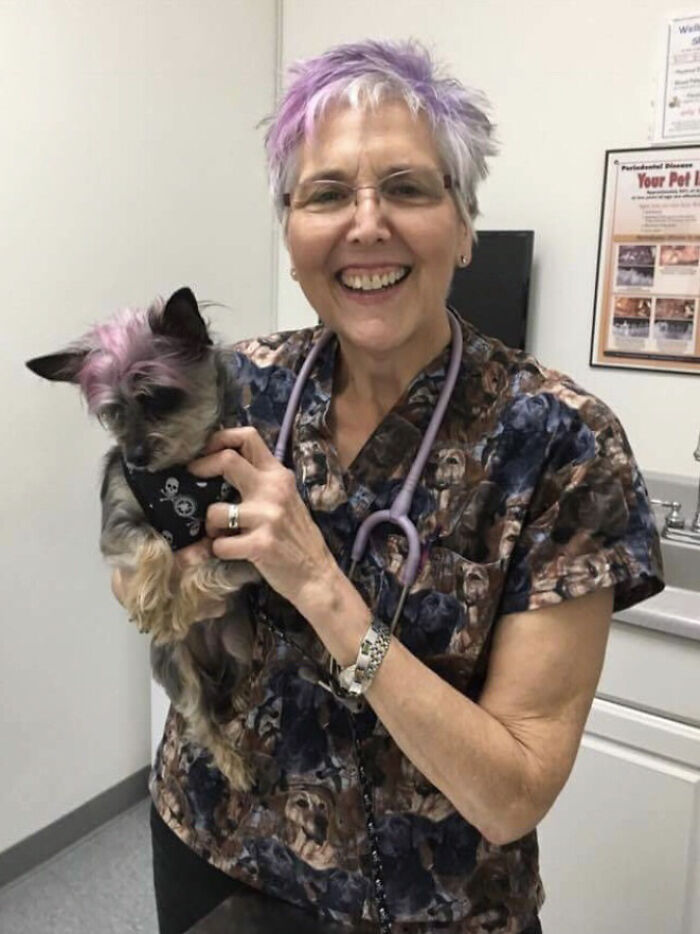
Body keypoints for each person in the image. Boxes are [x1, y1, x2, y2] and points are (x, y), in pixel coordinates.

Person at [114, 39, 663, 934]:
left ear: (464, 223)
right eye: (327, 194)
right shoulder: (236, 383)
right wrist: (145, 568)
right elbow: (136, 521)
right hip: (207, 845)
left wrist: (324, 588)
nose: (366, 225)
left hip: (425, 905)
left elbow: (512, 795)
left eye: (407, 188)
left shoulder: (560, 443)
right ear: (291, 236)